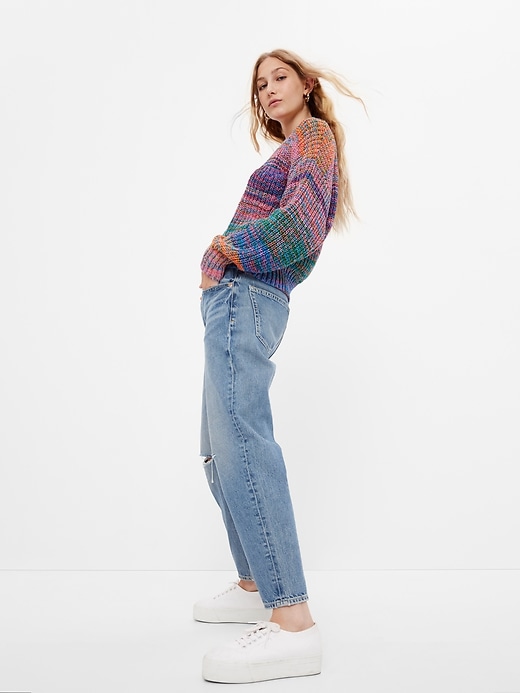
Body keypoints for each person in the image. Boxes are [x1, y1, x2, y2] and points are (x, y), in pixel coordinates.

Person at [195, 48, 364, 684]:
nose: (268, 90)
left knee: (243, 442)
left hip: (247, 296)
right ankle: (253, 584)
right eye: (260, 84)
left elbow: (299, 229)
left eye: (279, 77)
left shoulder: (313, 136)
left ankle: (292, 620)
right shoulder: (294, 146)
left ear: (307, 83)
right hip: (233, 299)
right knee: (218, 450)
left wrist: (224, 248)